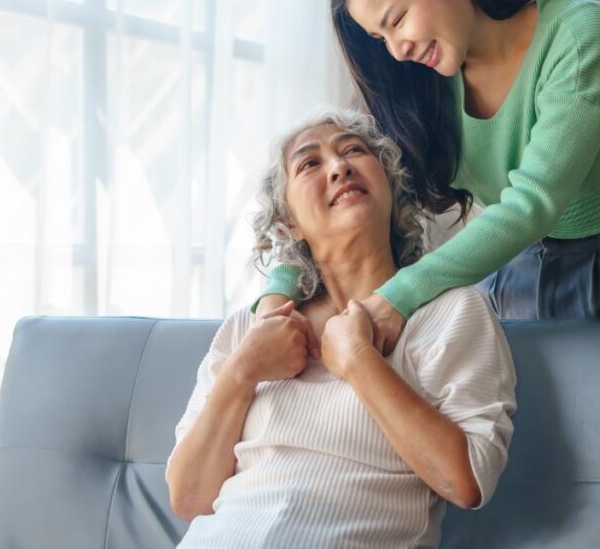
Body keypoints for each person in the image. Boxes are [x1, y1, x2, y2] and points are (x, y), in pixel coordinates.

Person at [255, 0, 600, 345]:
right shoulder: (417, 82)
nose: (397, 50)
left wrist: (398, 297)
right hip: (508, 266)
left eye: (397, 20)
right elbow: (326, 199)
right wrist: (278, 295)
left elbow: (533, 202)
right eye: (380, 38)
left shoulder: (581, 33)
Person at [166, 109, 516, 548]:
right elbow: (189, 496)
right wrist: (242, 372)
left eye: (355, 151)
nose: (339, 166)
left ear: (390, 187)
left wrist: (359, 361)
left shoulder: (452, 313)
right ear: (288, 222)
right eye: (310, 163)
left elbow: (467, 481)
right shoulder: (249, 328)